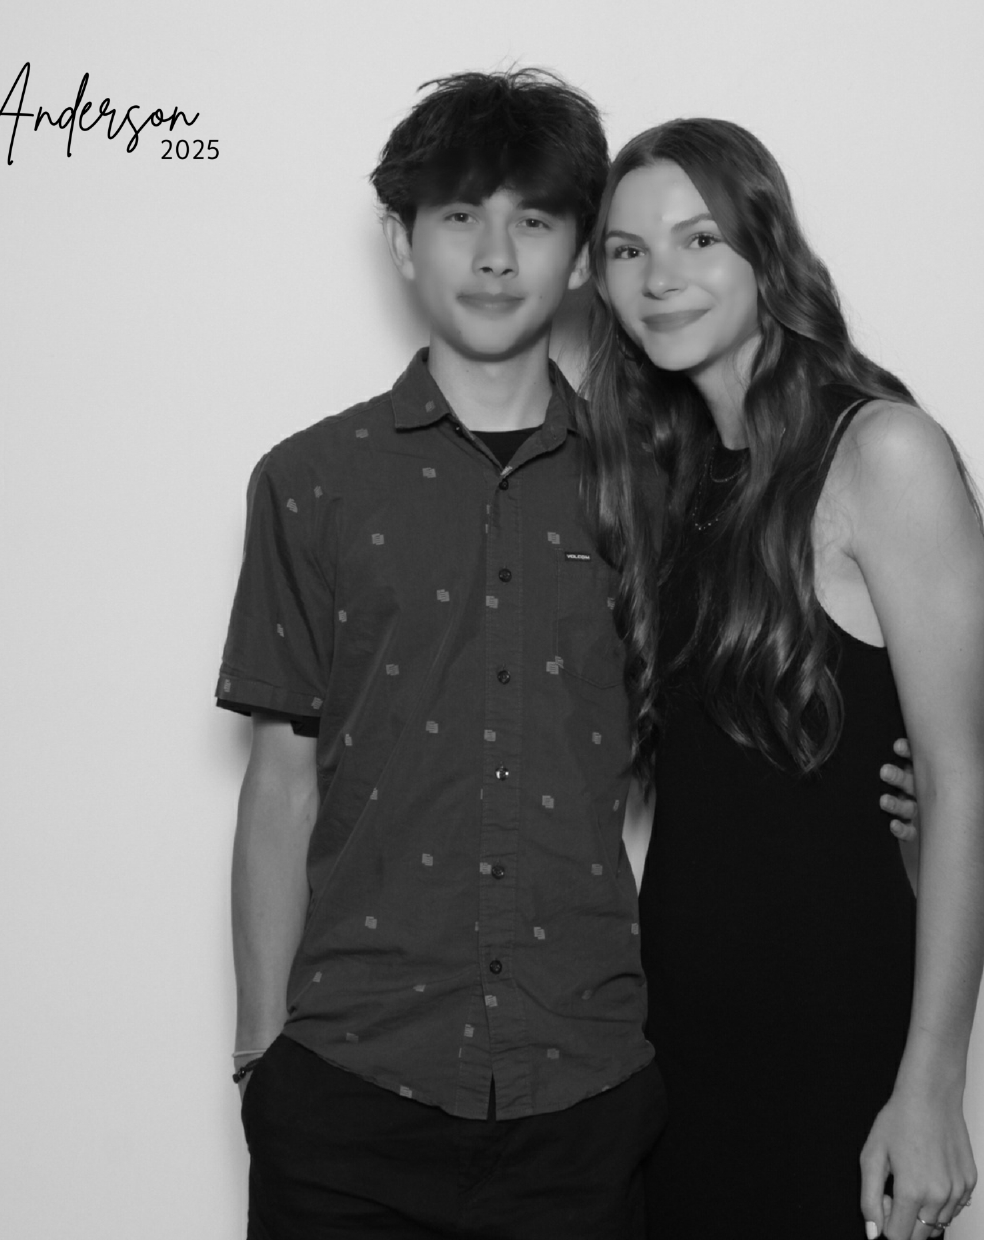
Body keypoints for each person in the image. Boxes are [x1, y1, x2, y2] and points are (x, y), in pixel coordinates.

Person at [213, 70, 668, 1238]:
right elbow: (280, 780)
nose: (495, 256)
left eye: (534, 221)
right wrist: (261, 1056)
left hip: (584, 1088)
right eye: (460, 215)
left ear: (582, 257)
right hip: (349, 1086)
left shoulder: (651, 495)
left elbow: (725, 755)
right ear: (401, 240)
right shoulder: (309, 484)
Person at [582, 119, 984, 1240]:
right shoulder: (663, 479)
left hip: (831, 1037)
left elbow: (957, 785)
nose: (659, 277)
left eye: (698, 238)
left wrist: (931, 1087)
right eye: (625, 251)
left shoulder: (881, 454)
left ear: (766, 249)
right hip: (672, 1045)